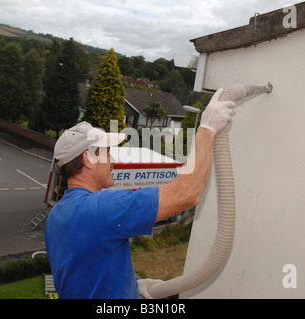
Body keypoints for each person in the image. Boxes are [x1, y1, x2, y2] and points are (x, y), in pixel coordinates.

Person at [44, 88, 236, 299]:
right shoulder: (100, 209)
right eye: (107, 152)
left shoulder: (56, 215)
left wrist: (129, 286)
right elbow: (188, 193)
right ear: (88, 159)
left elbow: (85, 274)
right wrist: (207, 128)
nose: (114, 160)